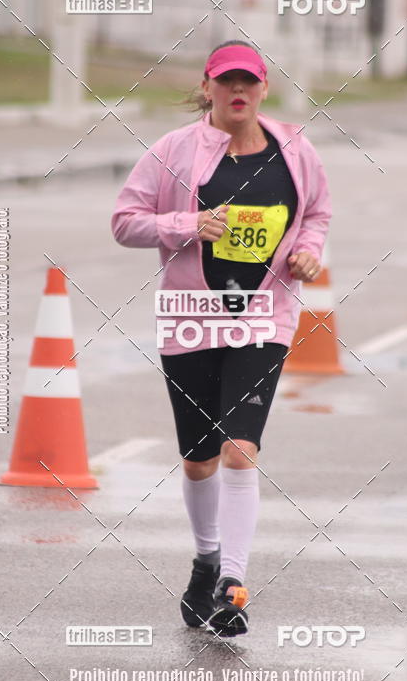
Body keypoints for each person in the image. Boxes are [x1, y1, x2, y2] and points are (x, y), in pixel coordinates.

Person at [111, 40, 331, 637]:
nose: (239, 92)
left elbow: (316, 214)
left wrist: (309, 253)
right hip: (191, 316)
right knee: (200, 459)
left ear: (264, 89)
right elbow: (124, 223)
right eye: (227, 81)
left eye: (250, 82)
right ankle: (206, 560)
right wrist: (187, 224)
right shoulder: (172, 152)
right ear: (207, 88)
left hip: (264, 317)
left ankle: (233, 582)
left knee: (240, 449)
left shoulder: (295, 151)